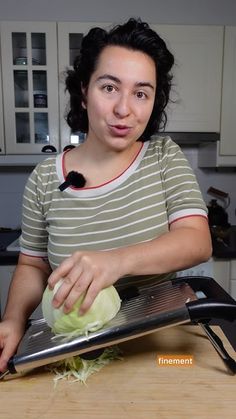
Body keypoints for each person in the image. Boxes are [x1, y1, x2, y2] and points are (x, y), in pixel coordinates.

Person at [0, 18, 212, 372]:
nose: (124, 109)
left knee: (184, 385)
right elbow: (32, 265)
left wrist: (115, 261)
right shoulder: (43, 179)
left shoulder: (163, 157)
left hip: (161, 350)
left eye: (140, 93)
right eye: (109, 87)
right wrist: (12, 320)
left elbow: (196, 241)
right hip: (75, 353)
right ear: (84, 91)